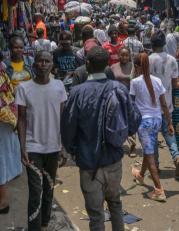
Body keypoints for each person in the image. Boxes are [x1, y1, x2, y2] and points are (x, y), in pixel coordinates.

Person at [61, 47, 141, 231]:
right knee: (115, 205)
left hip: (88, 162)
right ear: (107, 65)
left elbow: (67, 127)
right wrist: (120, 134)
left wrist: (73, 150)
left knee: (96, 214)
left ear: (87, 64)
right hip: (113, 159)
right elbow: (135, 120)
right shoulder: (120, 89)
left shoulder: (77, 92)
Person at [16, 51, 69, 231]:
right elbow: (21, 119)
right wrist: (22, 147)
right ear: (34, 64)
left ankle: (44, 225)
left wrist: (63, 146)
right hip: (33, 147)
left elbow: (63, 117)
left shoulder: (59, 86)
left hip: (53, 147)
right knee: (35, 192)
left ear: (52, 64)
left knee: (48, 190)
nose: (44, 64)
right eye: (40, 61)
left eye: (47, 61)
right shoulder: (23, 88)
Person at [0, 37, 33, 214]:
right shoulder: (3, 70)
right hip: (10, 112)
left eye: (21, 47)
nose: (19, 50)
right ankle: (5, 185)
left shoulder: (27, 63)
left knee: (3, 153)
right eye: (15, 47)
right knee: (9, 148)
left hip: (8, 115)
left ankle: (3, 200)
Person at [130, 53, 173, 201]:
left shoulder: (135, 82)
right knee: (148, 152)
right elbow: (164, 104)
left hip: (144, 123)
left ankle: (159, 190)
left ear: (136, 67)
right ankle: (140, 175)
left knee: (151, 157)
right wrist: (170, 123)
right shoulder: (157, 81)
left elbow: (131, 105)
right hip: (157, 121)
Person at [148, 30, 179, 176]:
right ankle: (176, 156)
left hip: (152, 105)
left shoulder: (149, 60)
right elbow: (175, 83)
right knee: (169, 132)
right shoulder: (172, 60)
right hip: (167, 103)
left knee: (153, 136)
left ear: (152, 45)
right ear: (164, 45)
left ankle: (155, 165)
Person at [111, 46, 136, 157]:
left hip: (130, 98)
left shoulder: (133, 67)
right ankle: (118, 144)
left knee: (130, 121)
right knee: (117, 121)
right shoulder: (113, 67)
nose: (124, 57)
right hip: (116, 98)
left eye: (126, 55)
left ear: (129, 56)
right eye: (122, 55)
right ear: (118, 56)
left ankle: (133, 146)